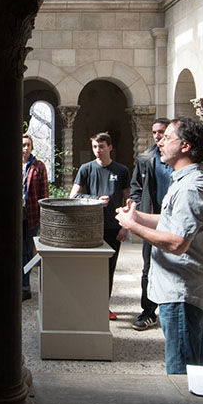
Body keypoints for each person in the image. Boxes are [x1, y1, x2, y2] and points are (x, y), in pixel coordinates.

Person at [116, 117, 203, 375]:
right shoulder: (182, 181)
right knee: (187, 363)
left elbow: (177, 242)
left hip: (182, 292)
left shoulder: (192, 187)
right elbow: (170, 221)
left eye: (167, 137)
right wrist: (136, 216)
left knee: (184, 371)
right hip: (175, 290)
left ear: (185, 145)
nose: (159, 142)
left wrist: (132, 225)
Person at [70, 132, 130, 321]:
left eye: (102, 146)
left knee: (108, 269)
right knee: (90, 267)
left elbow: (128, 199)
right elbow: (73, 196)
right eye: (95, 147)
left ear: (110, 147)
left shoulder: (121, 170)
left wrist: (125, 226)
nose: (98, 150)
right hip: (91, 227)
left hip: (113, 227)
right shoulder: (86, 169)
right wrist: (94, 200)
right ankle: (88, 305)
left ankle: (104, 306)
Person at [128, 117, 172, 331]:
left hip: (173, 222)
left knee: (173, 266)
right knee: (148, 268)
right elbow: (136, 186)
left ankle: (172, 310)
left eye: (162, 131)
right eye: (155, 132)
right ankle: (148, 311)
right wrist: (138, 208)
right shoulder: (146, 158)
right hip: (152, 221)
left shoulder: (178, 160)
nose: (157, 135)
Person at [21, 134, 49, 301]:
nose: (25, 148)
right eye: (23, 145)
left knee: (26, 250)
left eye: (28, 145)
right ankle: (18, 284)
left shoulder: (39, 166)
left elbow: (44, 193)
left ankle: (25, 286)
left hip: (30, 213)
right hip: (15, 214)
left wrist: (43, 215)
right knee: (16, 250)